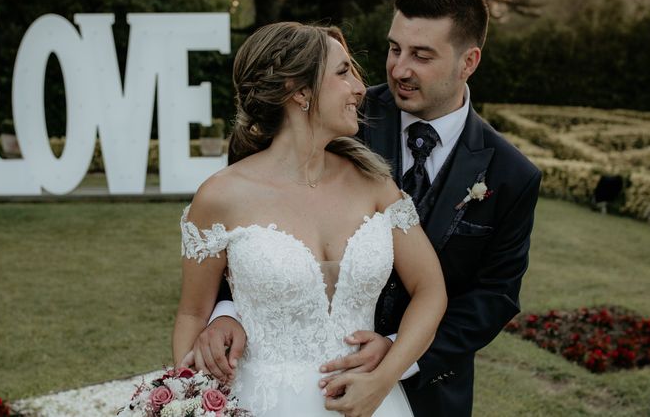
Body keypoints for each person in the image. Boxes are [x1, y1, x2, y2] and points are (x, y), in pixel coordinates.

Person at [186, 0, 542, 416]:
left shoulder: (511, 175)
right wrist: (226, 314)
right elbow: (245, 234)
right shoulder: (337, 115)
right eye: (395, 49)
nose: (397, 69)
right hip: (270, 385)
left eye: (421, 55)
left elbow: (494, 296)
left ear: (468, 62)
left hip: (427, 389)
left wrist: (393, 360)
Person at [173, 22, 447, 417]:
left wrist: (384, 378)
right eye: (342, 72)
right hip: (261, 403)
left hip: (372, 402)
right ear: (298, 91)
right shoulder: (220, 196)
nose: (359, 88)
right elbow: (192, 314)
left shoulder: (375, 184)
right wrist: (190, 402)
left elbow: (430, 289)